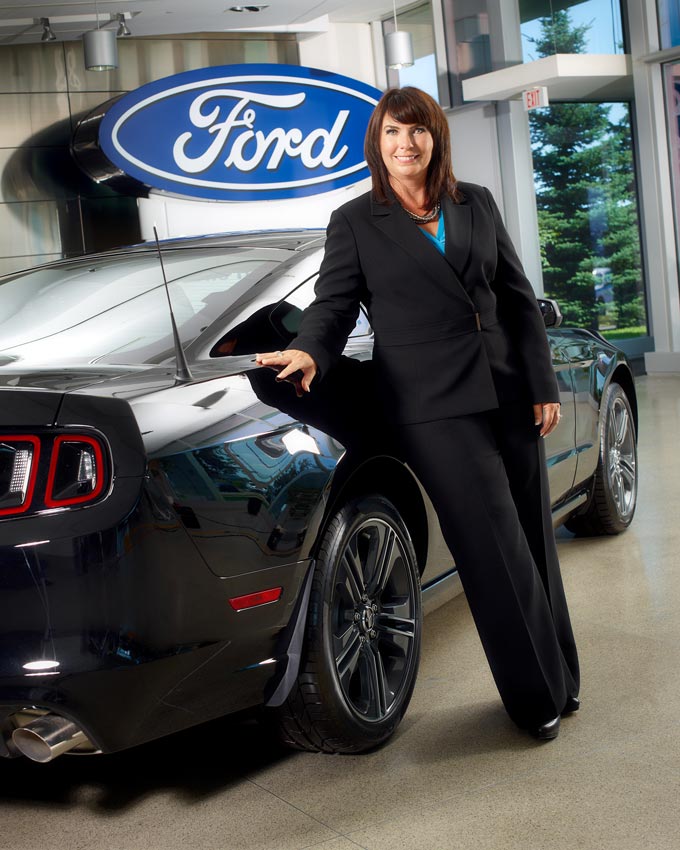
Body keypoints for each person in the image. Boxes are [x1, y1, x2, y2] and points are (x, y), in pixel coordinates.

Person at [256, 86, 579, 741]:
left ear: (435, 137)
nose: (406, 144)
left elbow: (517, 300)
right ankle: (534, 698)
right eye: (393, 134)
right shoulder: (355, 221)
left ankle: (563, 681)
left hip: (508, 392)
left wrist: (542, 384)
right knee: (493, 551)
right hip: (433, 409)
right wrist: (308, 350)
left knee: (532, 541)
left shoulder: (476, 203)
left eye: (418, 131)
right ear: (378, 146)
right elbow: (333, 304)